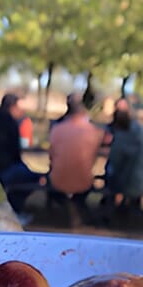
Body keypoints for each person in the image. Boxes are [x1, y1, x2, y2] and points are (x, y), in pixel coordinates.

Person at [0, 93, 42, 221]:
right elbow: (15, 152)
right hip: (3, 168)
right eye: (19, 108)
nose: (22, 112)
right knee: (35, 178)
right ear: (12, 107)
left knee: (25, 173)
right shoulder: (10, 122)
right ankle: (14, 210)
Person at [48, 94, 106, 226]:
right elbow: (94, 157)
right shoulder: (93, 131)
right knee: (85, 185)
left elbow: (51, 156)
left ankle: (70, 208)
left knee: (55, 184)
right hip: (84, 180)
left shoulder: (56, 129)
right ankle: (77, 208)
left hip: (58, 179)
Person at [104, 98, 143, 212]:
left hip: (132, 179)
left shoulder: (126, 133)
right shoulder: (141, 130)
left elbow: (116, 161)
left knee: (111, 174)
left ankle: (111, 208)